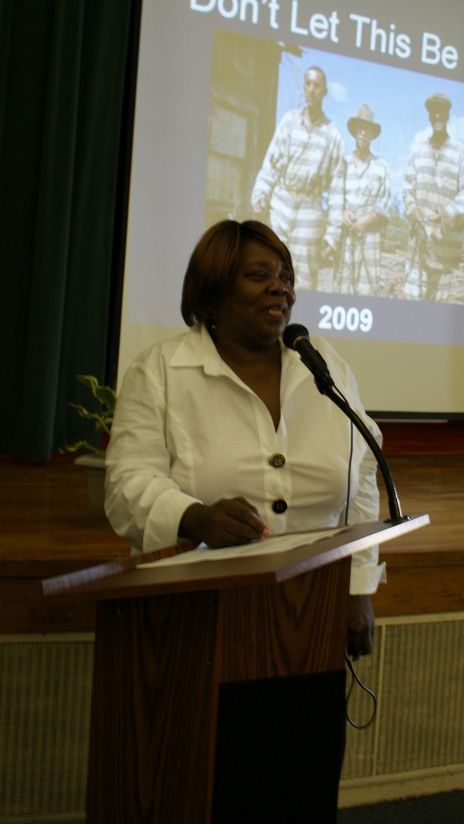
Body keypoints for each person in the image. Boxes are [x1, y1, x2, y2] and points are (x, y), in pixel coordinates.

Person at [105, 219, 385, 659]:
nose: (281, 289)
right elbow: (126, 487)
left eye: (286, 278)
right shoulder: (160, 370)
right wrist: (194, 518)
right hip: (194, 618)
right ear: (214, 290)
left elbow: (363, 474)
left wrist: (357, 587)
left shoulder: (323, 366)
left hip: (312, 613)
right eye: (260, 276)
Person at [250, 66, 345, 291]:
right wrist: (260, 195)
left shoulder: (333, 134)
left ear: (325, 91)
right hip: (281, 203)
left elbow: (337, 189)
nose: (311, 90)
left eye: (317, 85)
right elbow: (270, 165)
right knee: (273, 271)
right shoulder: (289, 121)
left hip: (310, 213)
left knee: (302, 281)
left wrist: (332, 234)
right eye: (307, 84)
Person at [401, 92, 464, 301]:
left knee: (437, 310)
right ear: (429, 116)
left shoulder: (461, 153)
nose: (437, 116)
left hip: (446, 250)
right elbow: (406, 189)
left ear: (448, 115)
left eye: (441, 112)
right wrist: (413, 209)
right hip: (418, 248)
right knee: (412, 309)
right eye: (434, 112)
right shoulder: (417, 151)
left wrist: (442, 214)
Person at [325, 104, 391, 296]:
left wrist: (366, 221)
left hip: (370, 237)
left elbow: (385, 203)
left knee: (366, 291)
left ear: (372, 133)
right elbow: (335, 197)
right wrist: (343, 214)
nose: (363, 132)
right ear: (354, 131)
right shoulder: (343, 163)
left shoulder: (381, 166)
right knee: (342, 289)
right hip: (346, 235)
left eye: (367, 128)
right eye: (359, 127)